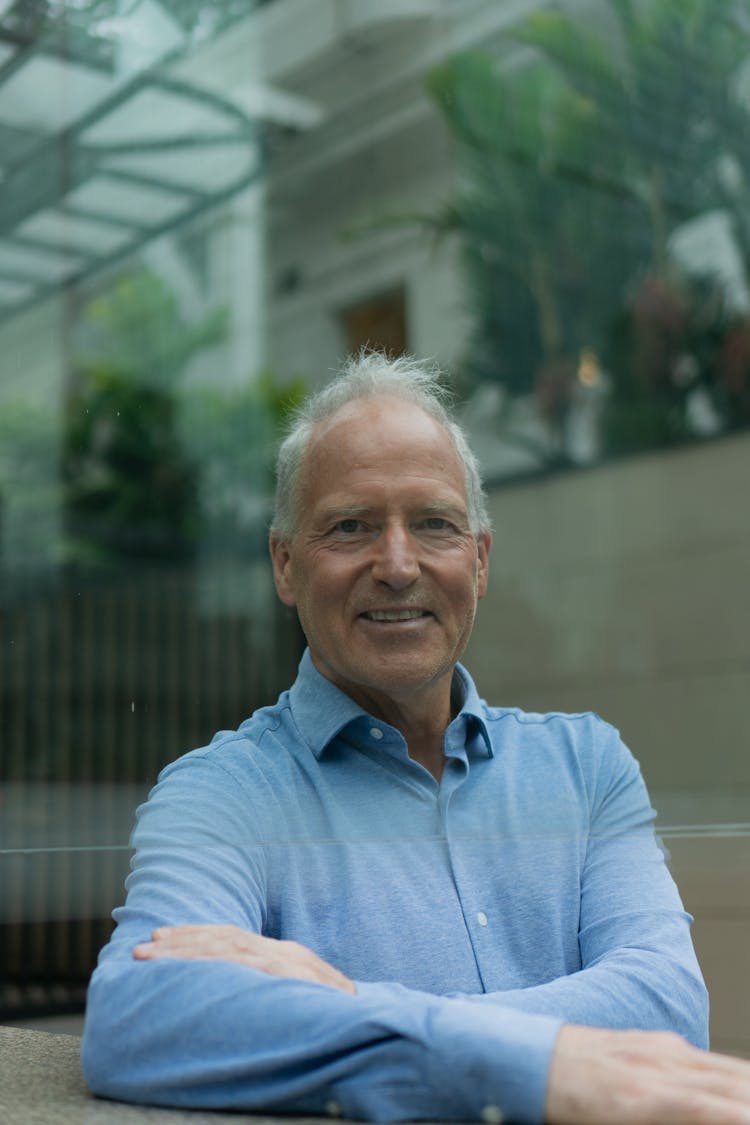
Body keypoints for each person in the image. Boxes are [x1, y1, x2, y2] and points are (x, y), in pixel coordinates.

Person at [82, 352, 750, 1124]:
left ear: (481, 557)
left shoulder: (587, 766)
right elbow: (140, 1015)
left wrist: (347, 1000)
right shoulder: (220, 794)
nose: (398, 565)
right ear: (285, 563)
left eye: (434, 523)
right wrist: (529, 1061)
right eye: (351, 526)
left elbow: (665, 1007)